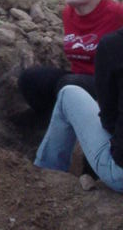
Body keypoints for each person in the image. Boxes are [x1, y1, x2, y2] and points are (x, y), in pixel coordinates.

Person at [18, 0, 123, 117]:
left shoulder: (117, 13)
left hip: (111, 85)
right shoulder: (68, 14)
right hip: (79, 78)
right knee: (31, 78)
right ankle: (50, 123)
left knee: (70, 85)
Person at [34, 30, 123, 193]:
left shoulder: (112, 45)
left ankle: (44, 177)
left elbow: (108, 120)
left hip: (120, 174)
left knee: (69, 93)